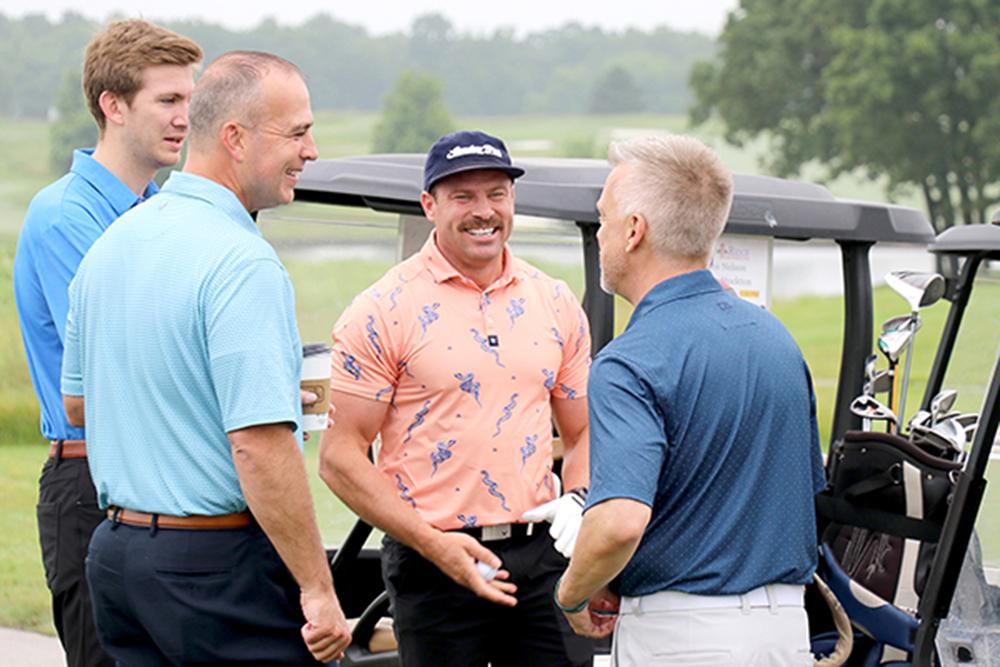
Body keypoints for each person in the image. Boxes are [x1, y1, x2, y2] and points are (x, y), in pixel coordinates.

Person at [60, 51, 351, 665]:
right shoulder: (241, 262)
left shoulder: (113, 243)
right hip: (212, 569)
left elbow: (79, 404)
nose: (313, 149)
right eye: (297, 132)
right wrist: (317, 588)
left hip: (116, 557)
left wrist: (203, 395)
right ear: (235, 139)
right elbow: (258, 444)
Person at [320, 129, 595, 666]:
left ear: (512, 200)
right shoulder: (382, 308)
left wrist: (579, 501)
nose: (483, 211)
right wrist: (431, 543)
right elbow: (339, 456)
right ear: (430, 205)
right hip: (431, 562)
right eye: (463, 196)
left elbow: (583, 431)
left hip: (542, 555)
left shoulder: (554, 301)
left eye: (496, 193)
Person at [555, 135, 826, 665]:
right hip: (787, 634)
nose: (601, 234)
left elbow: (619, 522)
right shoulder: (777, 340)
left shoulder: (629, 361)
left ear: (634, 231)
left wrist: (573, 593)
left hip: (684, 636)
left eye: (603, 218)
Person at [12, 19, 201, 667]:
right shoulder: (69, 214)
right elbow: (122, 361)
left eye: (190, 101)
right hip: (91, 480)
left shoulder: (158, 211)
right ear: (112, 106)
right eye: (168, 101)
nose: (186, 118)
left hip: (155, 480)